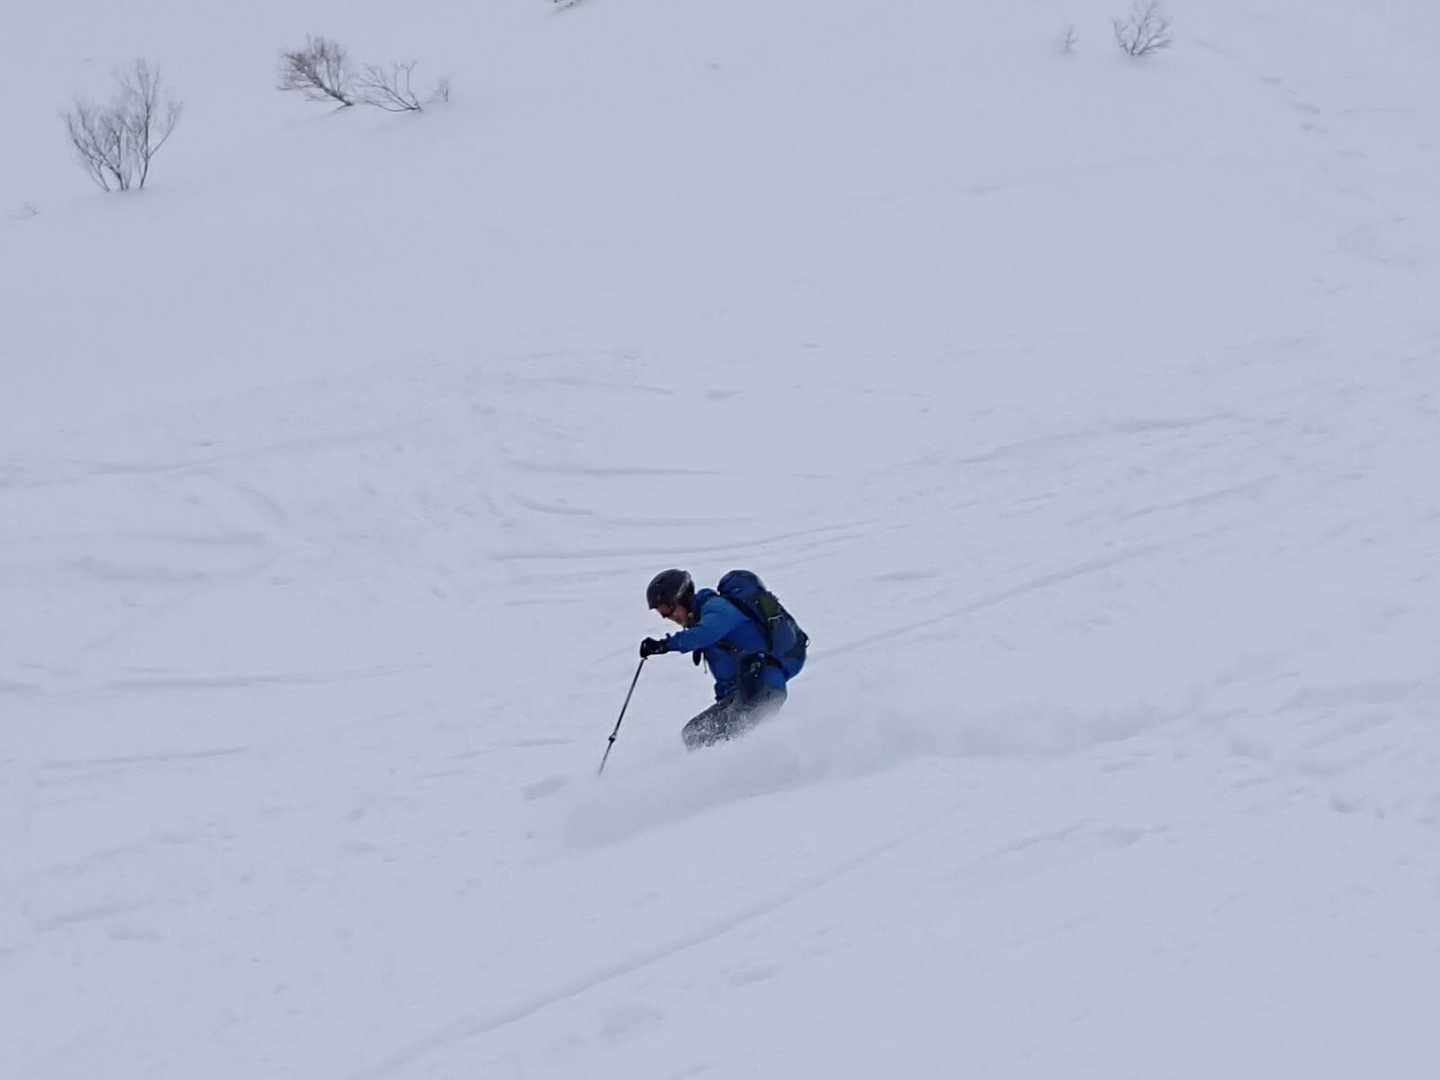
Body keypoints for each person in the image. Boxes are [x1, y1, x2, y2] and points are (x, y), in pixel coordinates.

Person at [640, 568, 789, 749]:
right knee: (694, 734)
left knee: (700, 737)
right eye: (661, 612)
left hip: (762, 688)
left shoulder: (717, 608)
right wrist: (723, 704)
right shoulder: (703, 620)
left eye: (667, 608)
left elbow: (704, 634)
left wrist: (665, 645)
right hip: (747, 692)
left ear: (682, 597)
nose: (667, 617)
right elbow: (727, 676)